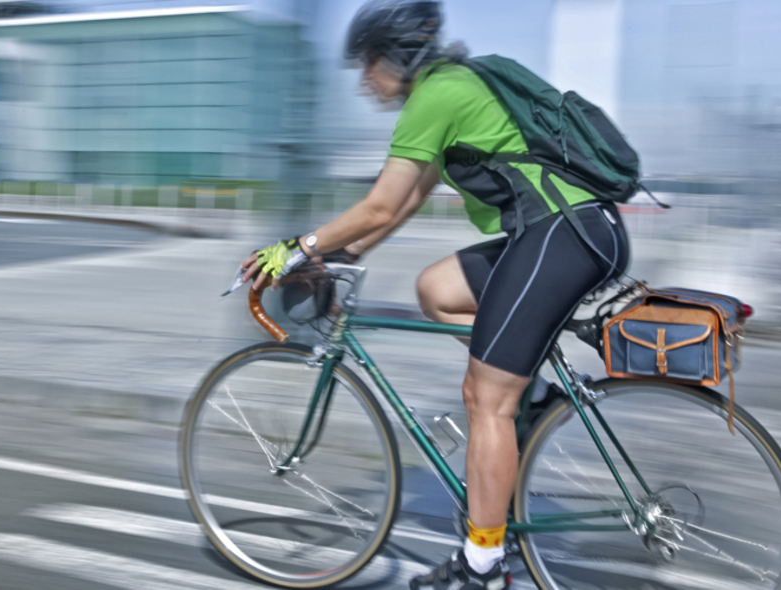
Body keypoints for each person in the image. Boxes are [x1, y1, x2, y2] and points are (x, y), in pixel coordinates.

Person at [237, 1, 630, 588]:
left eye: (368, 64)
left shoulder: (435, 97)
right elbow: (408, 198)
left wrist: (295, 247)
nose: (364, 80)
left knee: (485, 398)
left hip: (564, 236)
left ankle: (482, 565)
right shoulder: (452, 87)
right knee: (437, 289)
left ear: (398, 57)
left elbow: (380, 205)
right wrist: (344, 255)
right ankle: (535, 397)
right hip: (570, 233)